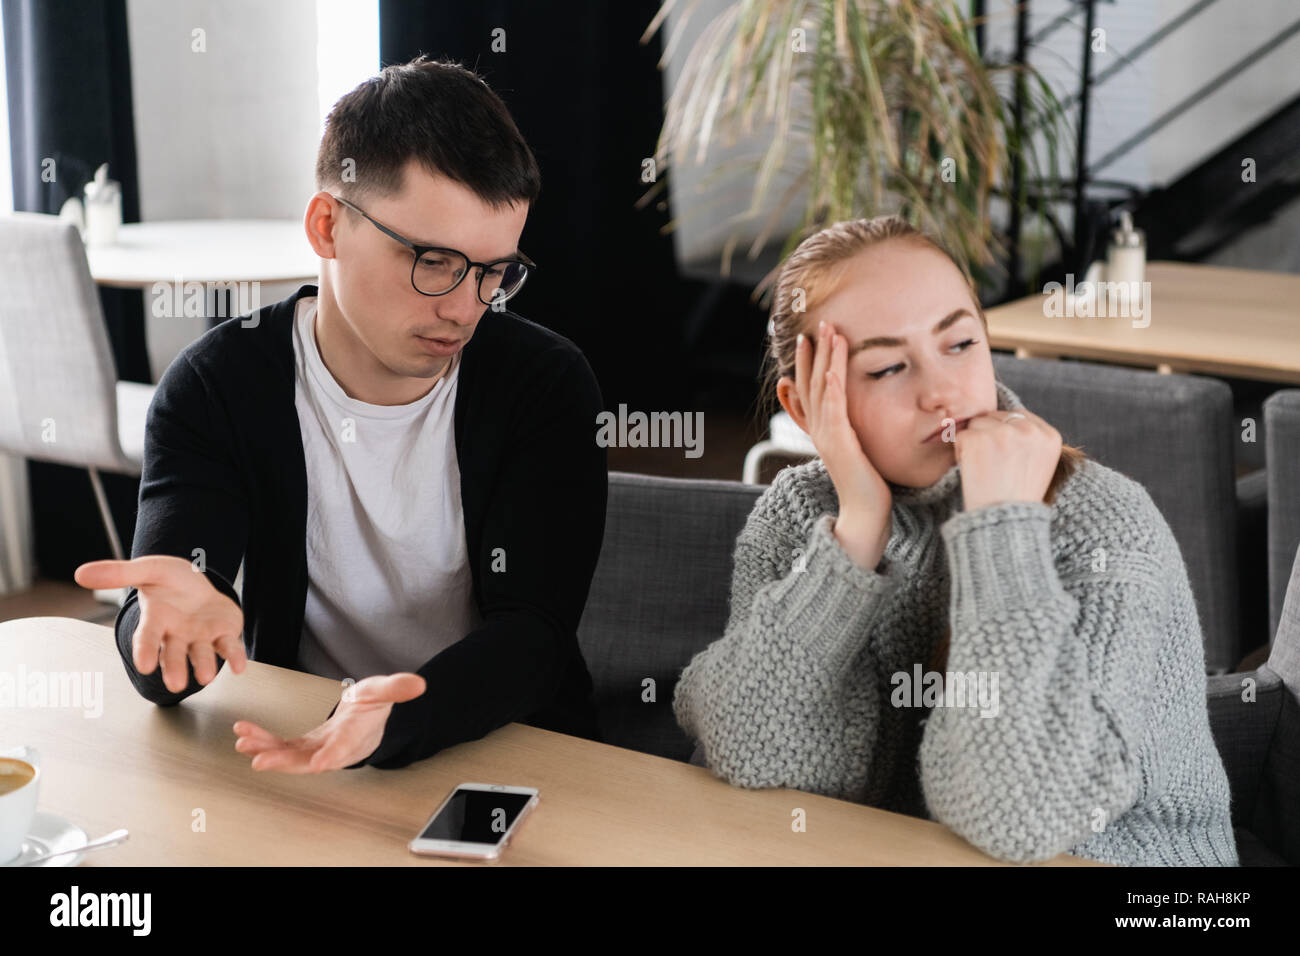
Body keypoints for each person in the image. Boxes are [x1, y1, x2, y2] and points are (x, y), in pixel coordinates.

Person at [74, 57, 607, 772]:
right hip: (297, 748)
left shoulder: (543, 384)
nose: (464, 307)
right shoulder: (215, 388)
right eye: (435, 261)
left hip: (511, 748)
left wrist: (395, 718)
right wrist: (160, 630)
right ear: (327, 226)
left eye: (494, 272)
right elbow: (170, 638)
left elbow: (535, 637)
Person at [674, 215, 1238, 866]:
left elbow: (1017, 816)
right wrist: (857, 531)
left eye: (960, 343)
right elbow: (758, 750)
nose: (941, 392)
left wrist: (1000, 533)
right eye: (888, 368)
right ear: (802, 407)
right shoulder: (802, 517)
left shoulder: (1103, 522)